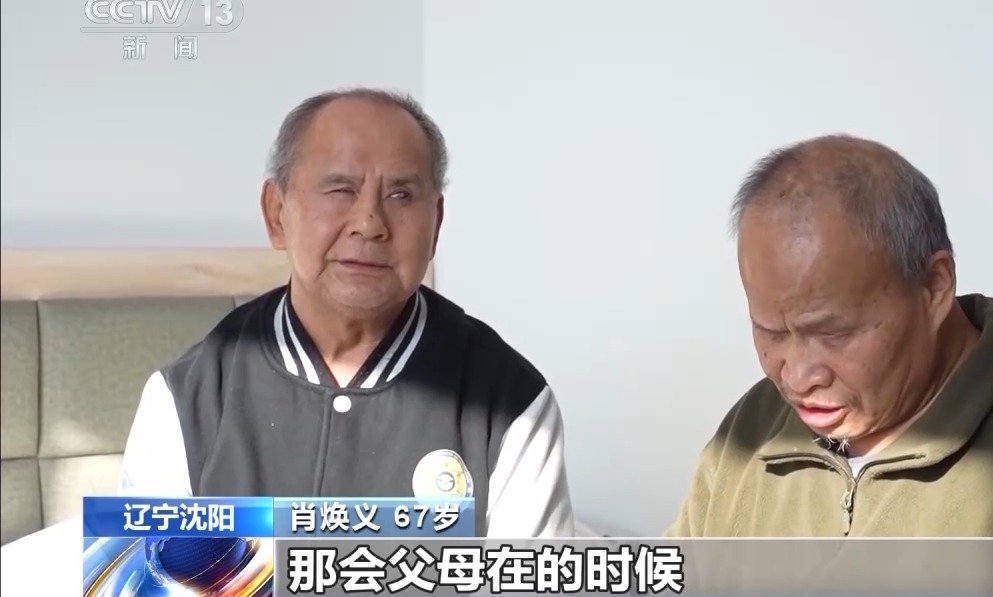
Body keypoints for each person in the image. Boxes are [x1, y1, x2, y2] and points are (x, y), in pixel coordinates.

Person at [0, 89, 575, 593]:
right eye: (340, 189)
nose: (370, 222)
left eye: (402, 195)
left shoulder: (510, 402)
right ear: (277, 214)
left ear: (437, 224)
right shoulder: (187, 398)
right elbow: (148, 585)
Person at [667, 134, 993, 538]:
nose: (798, 377)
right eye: (771, 332)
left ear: (934, 286)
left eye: (833, 333)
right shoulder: (752, 429)